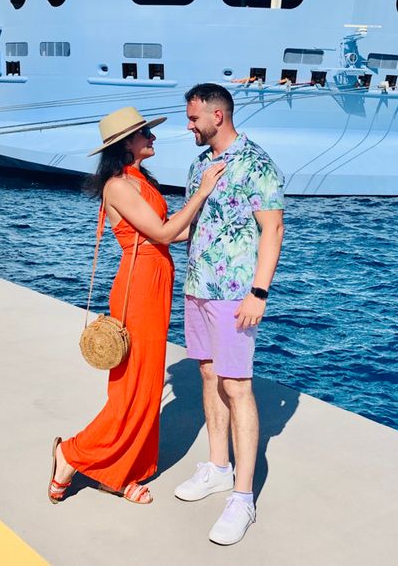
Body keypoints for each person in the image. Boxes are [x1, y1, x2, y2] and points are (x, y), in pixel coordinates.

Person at [48, 106, 225, 505]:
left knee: (146, 388)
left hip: (155, 279)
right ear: (126, 143)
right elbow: (162, 230)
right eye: (146, 133)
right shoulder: (117, 186)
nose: (153, 138)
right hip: (138, 284)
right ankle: (71, 453)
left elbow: (168, 236)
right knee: (131, 389)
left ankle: (124, 471)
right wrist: (202, 192)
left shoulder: (139, 180)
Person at [175, 83, 285, 545]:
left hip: (235, 293)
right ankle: (218, 467)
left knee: (237, 385)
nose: (189, 125)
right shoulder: (201, 164)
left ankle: (243, 497)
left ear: (217, 115)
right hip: (198, 288)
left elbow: (273, 228)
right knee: (207, 373)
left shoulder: (257, 164)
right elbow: (194, 225)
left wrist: (258, 292)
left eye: (194, 118)